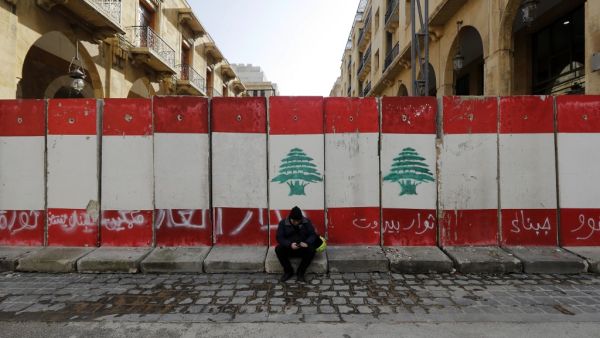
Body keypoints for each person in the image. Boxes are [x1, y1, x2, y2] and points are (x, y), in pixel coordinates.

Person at [275, 206, 317, 283]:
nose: (296, 223)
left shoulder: (306, 222)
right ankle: (288, 271)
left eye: (298, 221)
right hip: (289, 248)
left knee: (312, 250)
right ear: (290, 218)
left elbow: (313, 235)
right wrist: (289, 244)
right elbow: (279, 237)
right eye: (294, 221)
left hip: (302, 248)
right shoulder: (282, 223)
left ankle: (300, 272)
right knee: (278, 249)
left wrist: (306, 243)